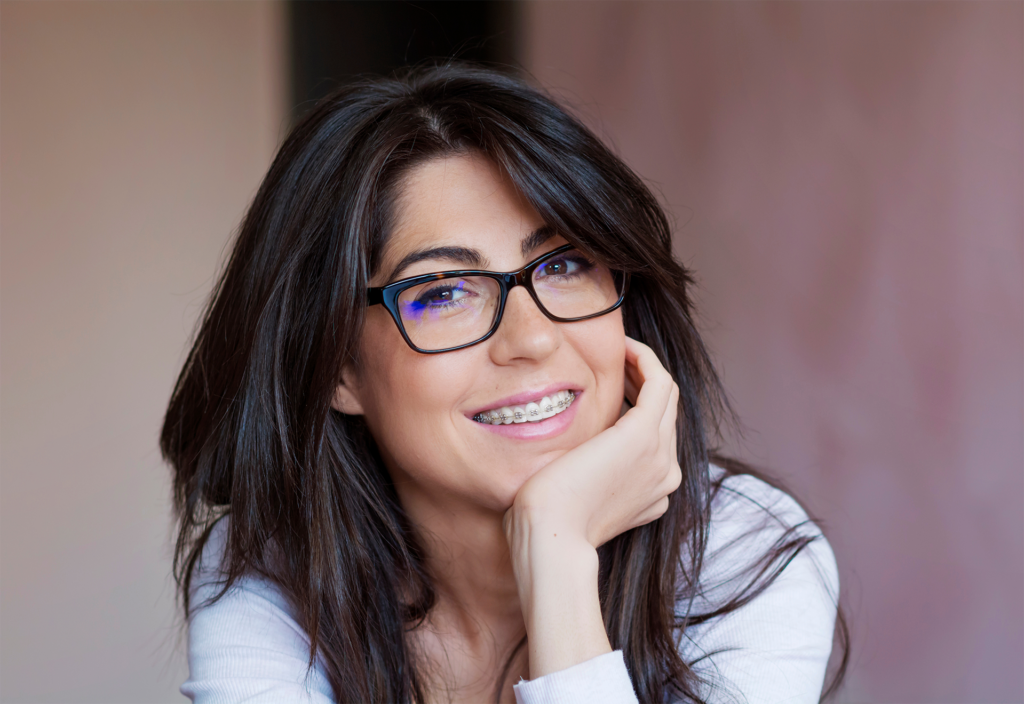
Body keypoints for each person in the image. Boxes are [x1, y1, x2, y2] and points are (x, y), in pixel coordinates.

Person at [161, 63, 847, 704]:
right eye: (443, 291)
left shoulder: (742, 553)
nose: (533, 338)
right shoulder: (279, 565)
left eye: (565, 265)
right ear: (337, 367)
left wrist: (557, 555)